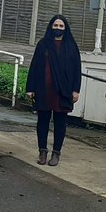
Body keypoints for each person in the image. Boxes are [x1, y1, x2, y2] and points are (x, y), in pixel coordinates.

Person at [25, 14, 82, 166]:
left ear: (65, 28)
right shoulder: (43, 44)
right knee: (42, 121)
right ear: (51, 27)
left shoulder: (71, 46)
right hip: (44, 89)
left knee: (60, 123)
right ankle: (42, 151)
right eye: (55, 26)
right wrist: (30, 87)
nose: (58, 28)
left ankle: (56, 153)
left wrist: (76, 90)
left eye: (61, 26)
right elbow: (34, 66)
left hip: (63, 91)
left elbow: (77, 69)